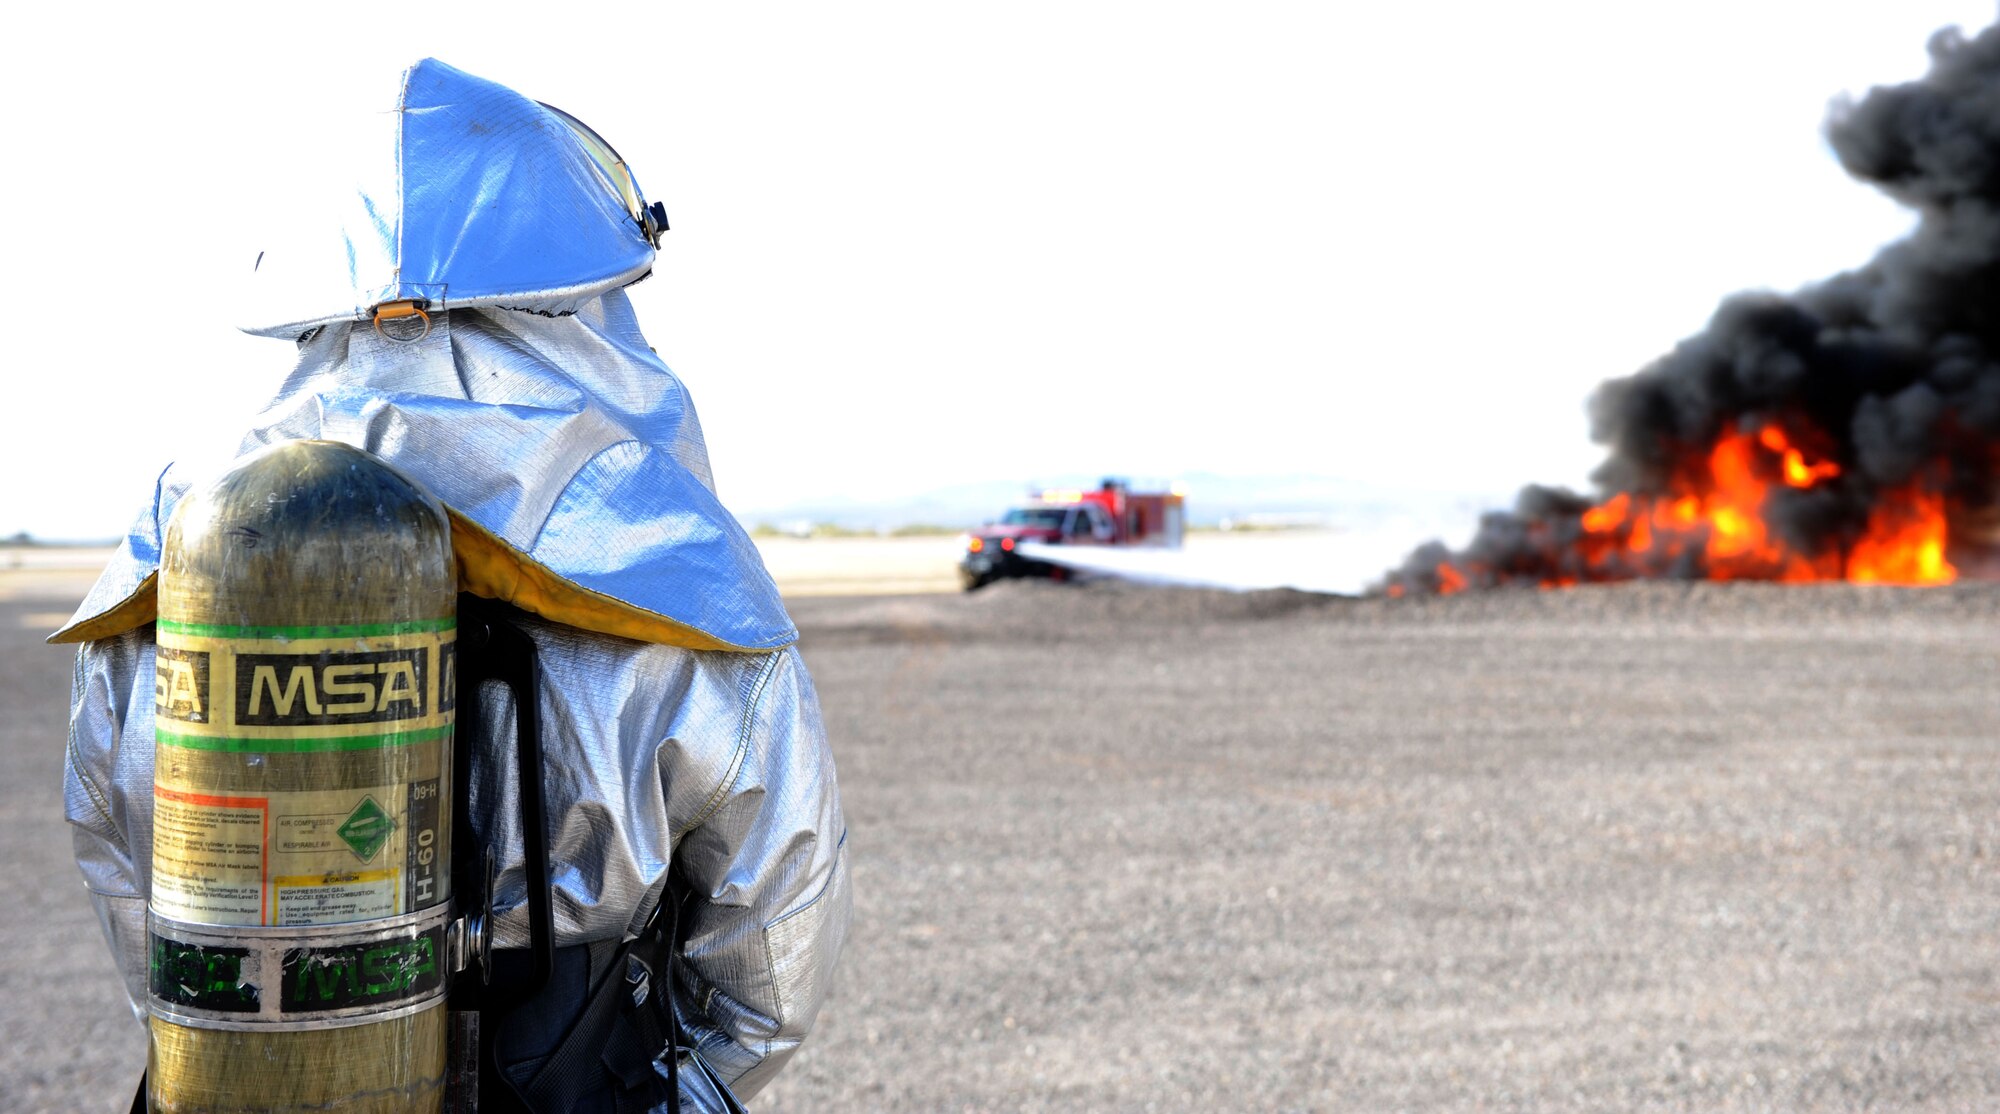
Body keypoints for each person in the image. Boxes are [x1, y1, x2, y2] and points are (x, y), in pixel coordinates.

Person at [55, 58, 849, 1112]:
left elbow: (120, 869)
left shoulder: (180, 548)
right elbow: (773, 938)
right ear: (581, 295)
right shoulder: (678, 568)